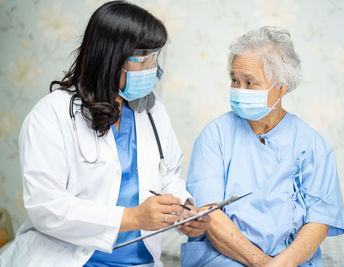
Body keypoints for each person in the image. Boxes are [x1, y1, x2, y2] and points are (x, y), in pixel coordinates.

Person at [0, 1, 209, 266]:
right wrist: (132, 218)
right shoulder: (51, 115)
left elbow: (167, 176)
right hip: (67, 259)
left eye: (155, 57)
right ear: (111, 56)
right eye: (143, 58)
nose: (152, 68)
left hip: (140, 261)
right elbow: (46, 207)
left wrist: (184, 210)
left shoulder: (152, 112)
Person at [181, 26, 344, 267]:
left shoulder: (312, 144)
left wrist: (281, 264)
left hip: (291, 261)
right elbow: (210, 214)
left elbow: (319, 221)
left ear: (282, 85)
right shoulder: (214, 136)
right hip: (222, 257)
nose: (239, 90)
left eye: (250, 82)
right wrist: (262, 263)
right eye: (235, 80)